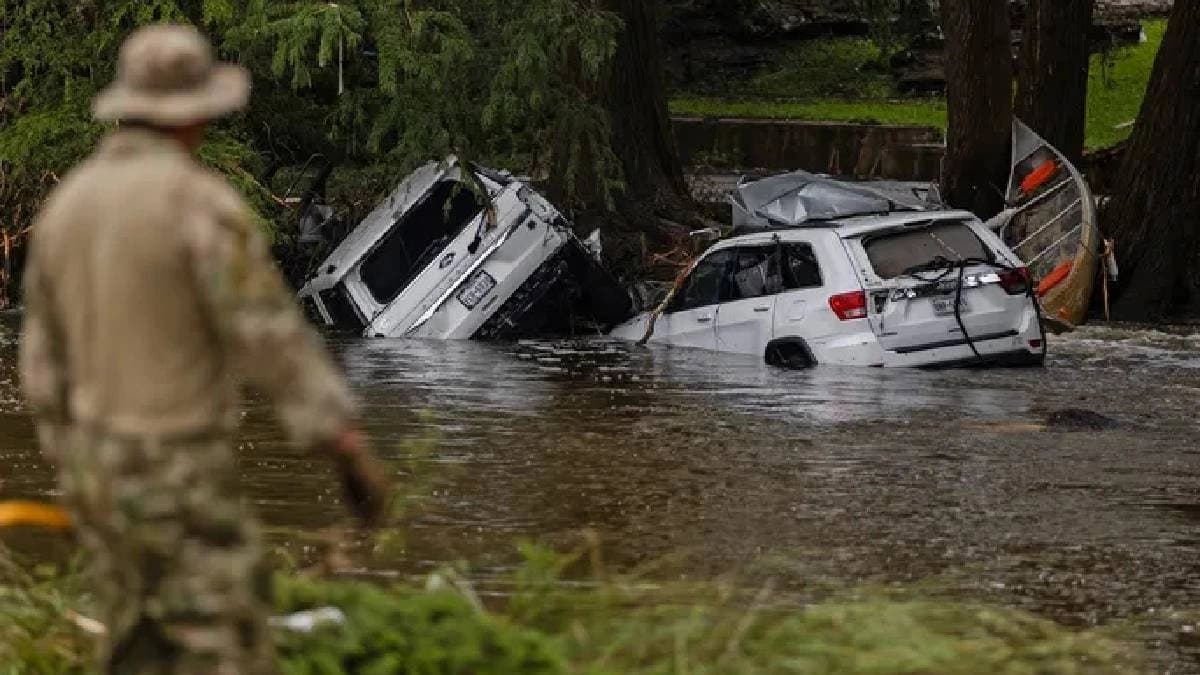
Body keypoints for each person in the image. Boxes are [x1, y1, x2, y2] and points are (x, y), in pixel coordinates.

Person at [18, 24, 390, 674]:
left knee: (135, 643)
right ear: (193, 114)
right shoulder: (197, 203)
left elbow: (41, 363)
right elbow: (268, 334)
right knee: (225, 641)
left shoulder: (66, 207)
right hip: (178, 467)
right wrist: (343, 441)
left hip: (93, 468)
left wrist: (72, 456)